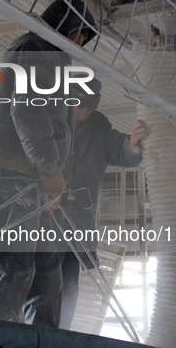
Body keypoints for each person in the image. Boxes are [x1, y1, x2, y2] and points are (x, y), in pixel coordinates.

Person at [0, 0, 96, 328]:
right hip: (16, 168)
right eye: (78, 34)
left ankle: (43, 337)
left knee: (47, 270)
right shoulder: (36, 51)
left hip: (29, 170)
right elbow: (28, 112)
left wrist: (49, 172)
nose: (80, 43)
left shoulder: (47, 56)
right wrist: (49, 170)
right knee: (15, 262)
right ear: (63, 27)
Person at [57, 78, 147, 330]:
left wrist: (133, 147)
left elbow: (122, 150)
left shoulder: (99, 131)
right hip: (44, 220)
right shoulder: (46, 126)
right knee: (38, 280)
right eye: (77, 106)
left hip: (77, 225)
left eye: (88, 108)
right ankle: (28, 335)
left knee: (69, 286)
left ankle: (59, 336)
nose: (82, 113)